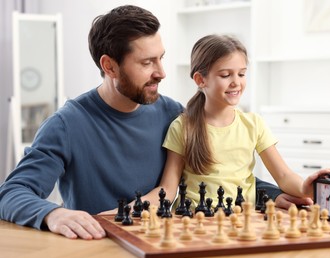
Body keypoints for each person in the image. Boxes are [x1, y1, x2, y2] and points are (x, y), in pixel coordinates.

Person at [0, 5, 303, 240]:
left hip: (167, 242)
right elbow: (12, 193)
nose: (161, 72)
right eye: (147, 63)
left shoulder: (173, 113)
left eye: (161, 58)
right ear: (110, 66)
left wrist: (274, 195)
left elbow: (220, 170)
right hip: (103, 246)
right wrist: (53, 214)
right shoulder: (66, 125)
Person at [141, 34, 330, 210]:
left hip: (242, 220)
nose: (236, 82)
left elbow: (284, 176)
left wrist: (305, 187)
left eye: (242, 74)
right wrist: (122, 211)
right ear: (201, 80)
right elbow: (167, 189)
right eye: (225, 75)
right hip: (195, 222)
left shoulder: (254, 124)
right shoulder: (183, 126)